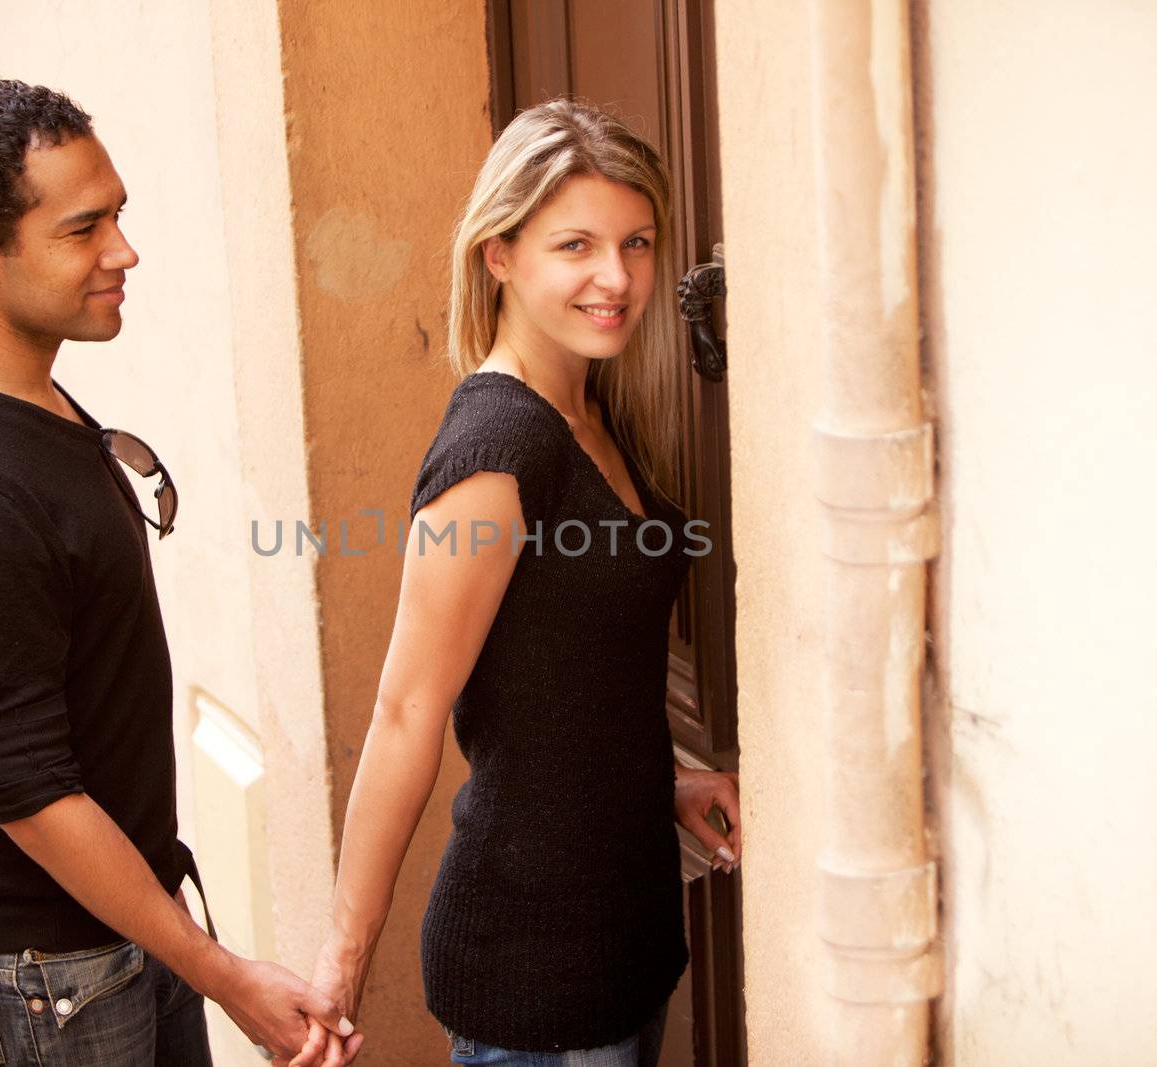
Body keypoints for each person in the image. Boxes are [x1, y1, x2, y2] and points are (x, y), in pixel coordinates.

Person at [0, 80, 358, 1066]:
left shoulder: (21, 394)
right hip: (43, 972)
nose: (122, 252)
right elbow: (27, 790)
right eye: (82, 229)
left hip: (108, 934)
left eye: (119, 216)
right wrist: (226, 974)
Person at [302, 100, 743, 1066]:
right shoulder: (497, 450)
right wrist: (340, 963)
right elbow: (408, 711)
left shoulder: (593, 410)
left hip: (623, 948)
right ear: (499, 253)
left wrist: (665, 779)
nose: (616, 278)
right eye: (575, 244)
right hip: (537, 979)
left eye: (636, 242)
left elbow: (568, 668)